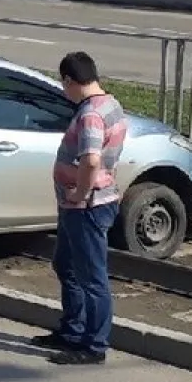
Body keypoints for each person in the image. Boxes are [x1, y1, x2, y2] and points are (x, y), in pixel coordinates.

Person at [35, 50, 129, 365]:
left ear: (69, 80)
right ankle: (72, 331)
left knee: (91, 277)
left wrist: (79, 193)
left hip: (86, 206)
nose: (64, 92)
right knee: (66, 266)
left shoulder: (90, 114)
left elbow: (90, 159)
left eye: (64, 86)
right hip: (89, 203)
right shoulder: (111, 104)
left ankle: (93, 345)